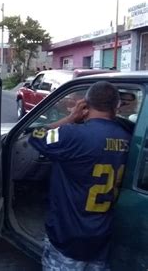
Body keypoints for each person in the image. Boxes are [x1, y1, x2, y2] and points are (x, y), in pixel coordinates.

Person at [28, 81, 131, 270]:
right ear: (116, 106)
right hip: (102, 236)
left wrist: (70, 118)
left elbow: (36, 135)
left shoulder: (71, 135)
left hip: (68, 236)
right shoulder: (127, 138)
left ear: (85, 104)